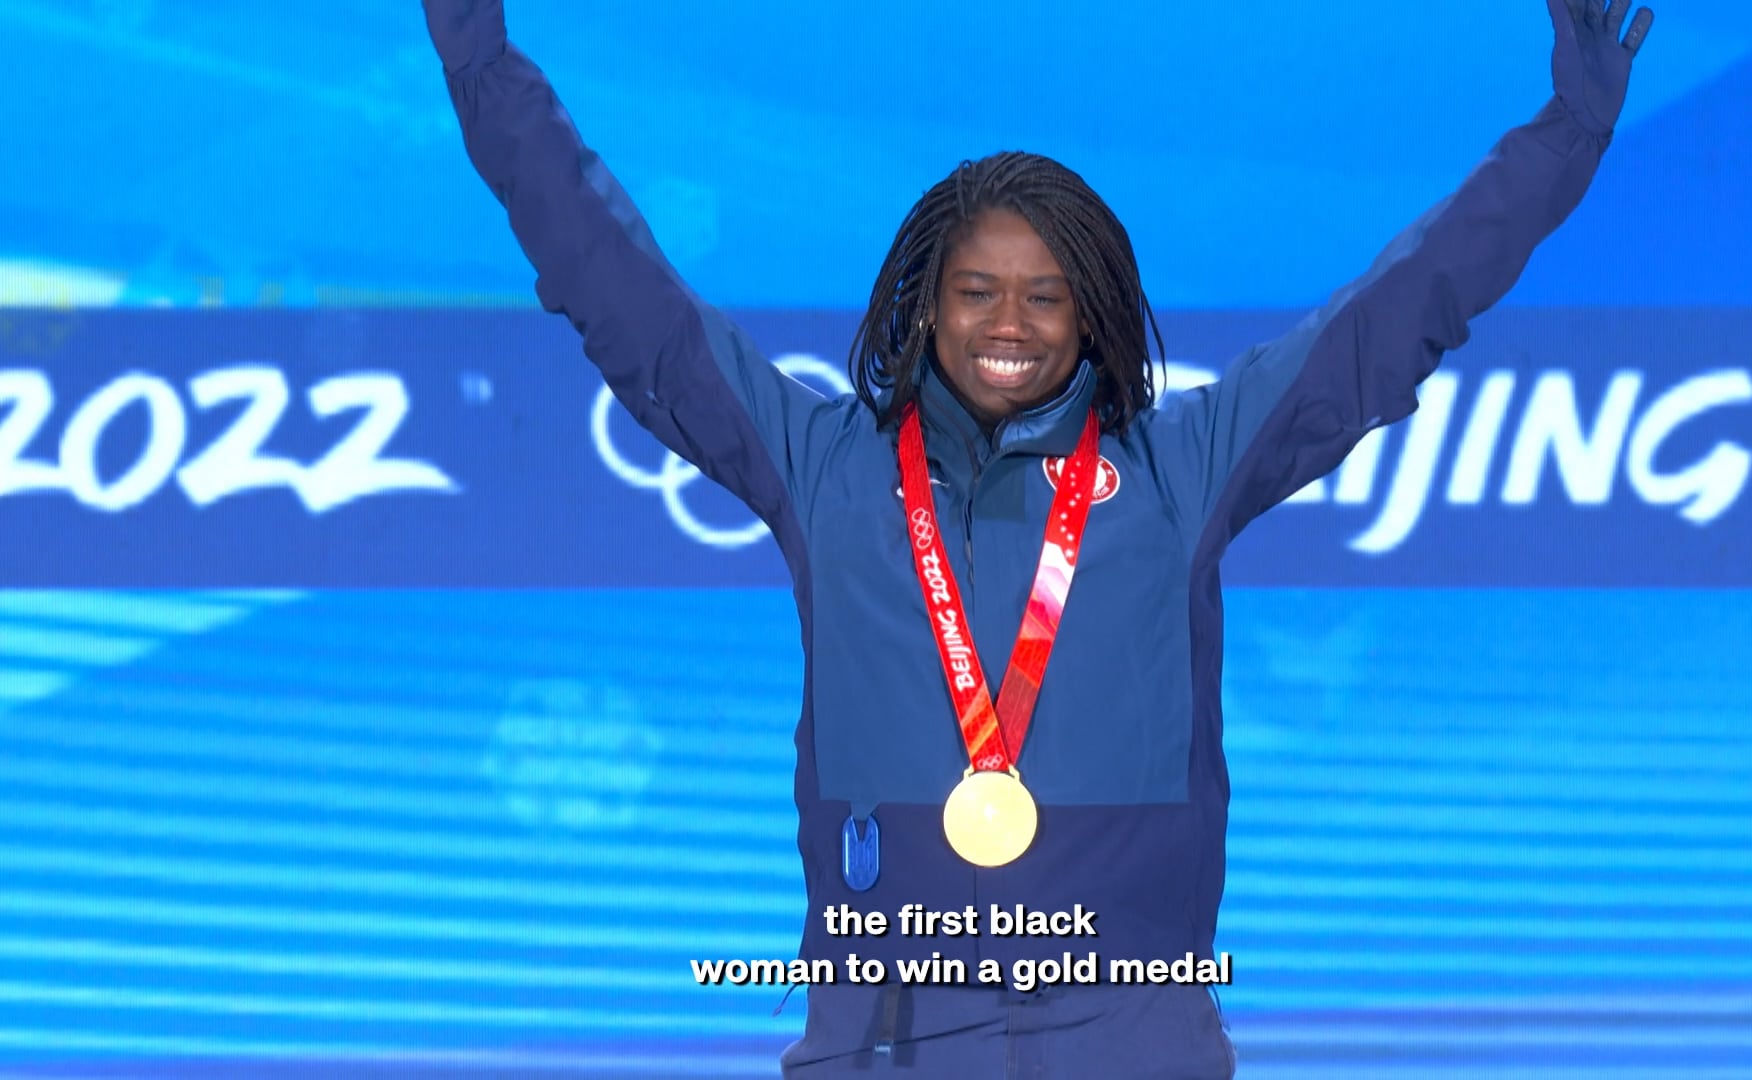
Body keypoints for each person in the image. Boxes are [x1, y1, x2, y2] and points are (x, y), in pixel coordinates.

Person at [422, 1, 1654, 1075]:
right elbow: (616, 284)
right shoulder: (828, 471)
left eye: (1047, 293)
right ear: (924, 305)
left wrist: (1570, 135)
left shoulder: (1181, 471)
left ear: (1093, 313)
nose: (1009, 321)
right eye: (976, 290)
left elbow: (1404, 305)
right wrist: (479, 55)